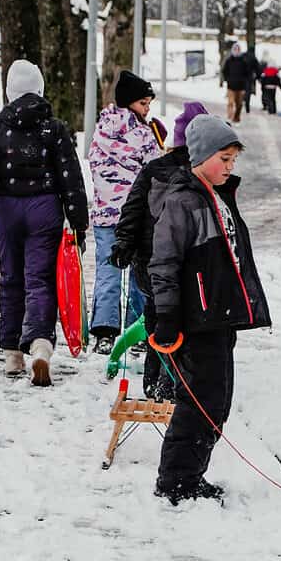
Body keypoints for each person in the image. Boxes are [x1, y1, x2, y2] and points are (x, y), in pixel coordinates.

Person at [148, 115, 272, 505]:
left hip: (220, 317)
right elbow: (163, 263)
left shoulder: (217, 196)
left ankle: (191, 475)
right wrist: (167, 317)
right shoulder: (183, 201)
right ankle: (175, 482)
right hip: (195, 321)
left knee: (217, 402)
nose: (230, 167)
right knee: (198, 403)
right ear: (201, 156)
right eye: (224, 158)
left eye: (234, 160)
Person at [0, 59, 89, 386]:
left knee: (11, 278)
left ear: (9, 92)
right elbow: (70, 178)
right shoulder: (54, 129)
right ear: (40, 90)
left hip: (7, 209)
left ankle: (12, 354)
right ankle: (40, 345)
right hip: (44, 208)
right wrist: (78, 222)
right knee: (40, 279)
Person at [110, 101, 207, 401]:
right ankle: (170, 382)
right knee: (184, 323)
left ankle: (157, 381)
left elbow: (132, 210)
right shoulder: (201, 174)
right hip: (189, 266)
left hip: (150, 265)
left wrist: (124, 244)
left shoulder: (153, 170)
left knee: (157, 319)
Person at [87, 70, 164, 355]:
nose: (147, 109)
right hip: (137, 216)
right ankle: (137, 329)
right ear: (131, 102)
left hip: (105, 215)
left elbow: (94, 163)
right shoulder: (143, 134)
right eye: (144, 103)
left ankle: (104, 332)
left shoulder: (101, 129)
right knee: (138, 273)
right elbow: (155, 170)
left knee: (108, 271)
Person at [221, 43, 251, 124]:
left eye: (238, 50)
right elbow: (224, 71)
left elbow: (247, 73)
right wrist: (227, 79)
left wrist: (245, 82)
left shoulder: (243, 61)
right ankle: (230, 117)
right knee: (230, 102)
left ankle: (236, 118)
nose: (236, 51)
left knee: (239, 104)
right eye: (235, 49)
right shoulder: (229, 60)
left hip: (241, 86)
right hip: (231, 86)